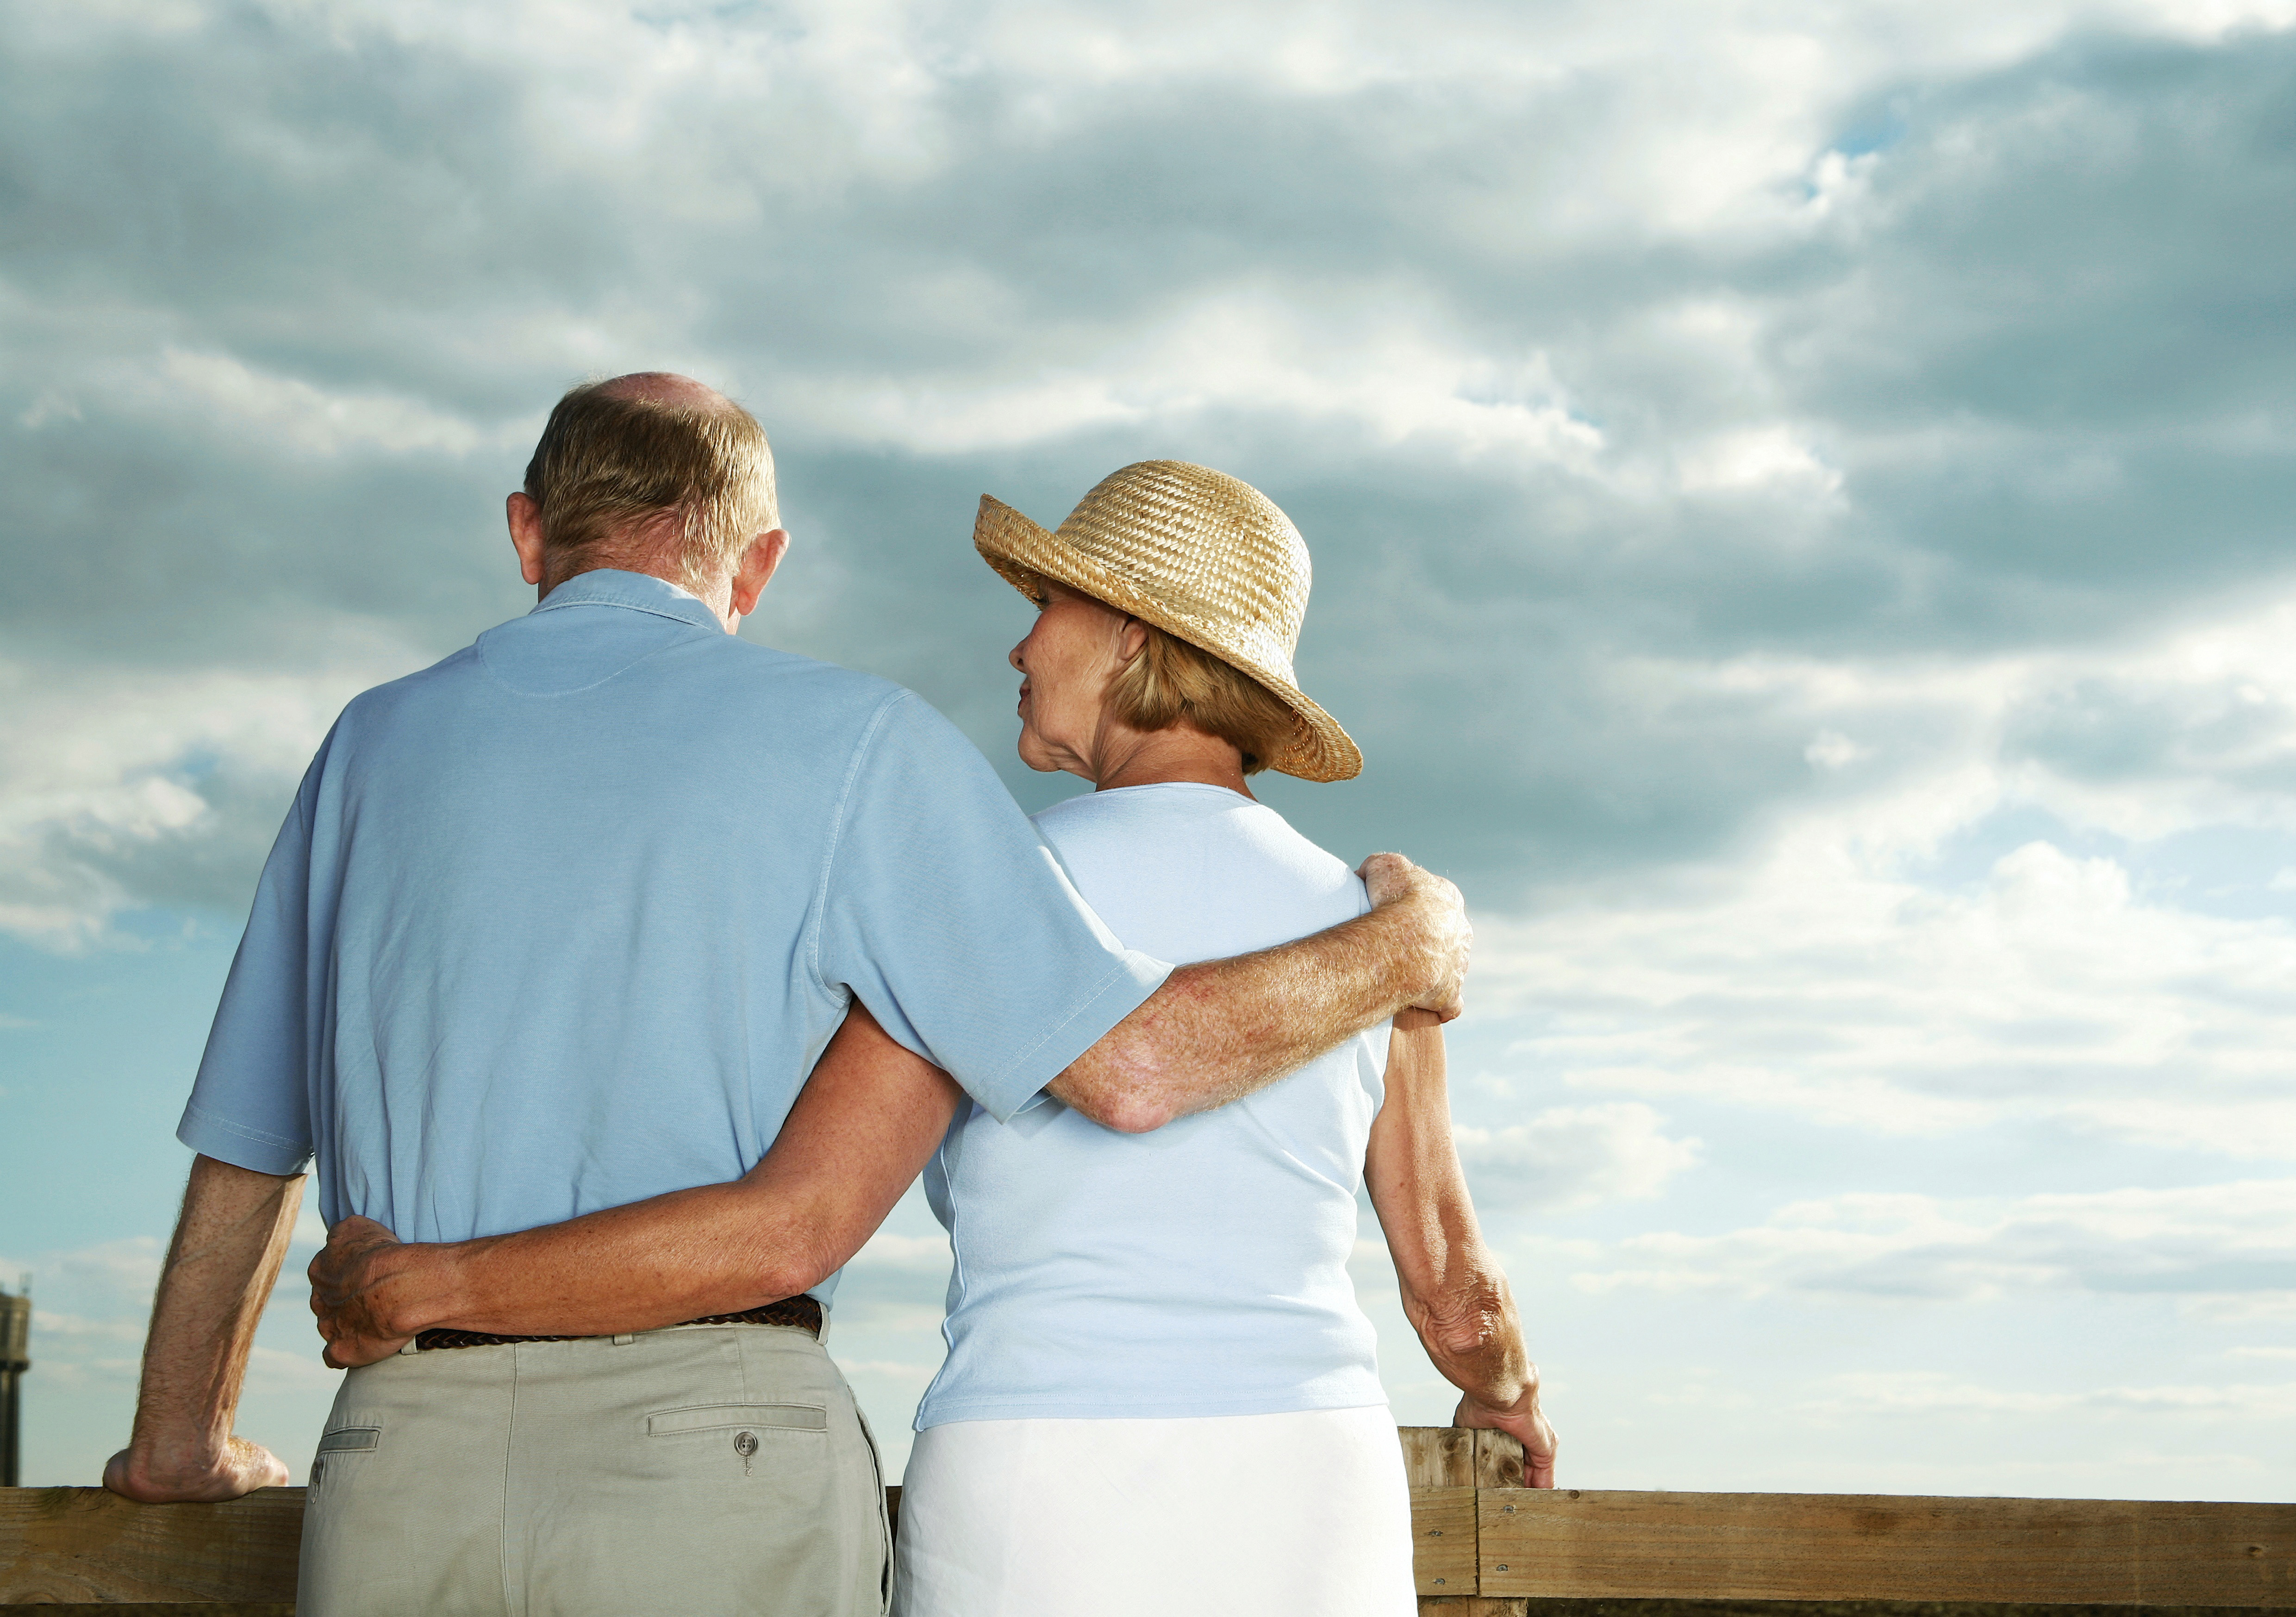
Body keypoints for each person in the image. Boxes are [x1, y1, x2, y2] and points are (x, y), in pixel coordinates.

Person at [103, 375, 1472, 1617]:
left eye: (1041, 602)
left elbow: (246, 1143)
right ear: (757, 563)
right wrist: (1404, 941)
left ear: (529, 533)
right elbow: (1123, 1073)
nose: (1014, 643)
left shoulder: (365, 743)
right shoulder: (868, 747)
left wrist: (181, 1437)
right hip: (725, 1440)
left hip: (406, 1445)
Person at [888, 460, 1554, 1615]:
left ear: (1135, 641)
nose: (1019, 647)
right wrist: (1505, 1396)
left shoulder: (982, 886)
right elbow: (1451, 1295)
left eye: (1047, 606)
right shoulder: (1373, 928)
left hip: (1030, 1470)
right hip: (1300, 1481)